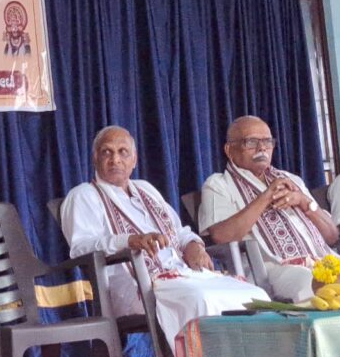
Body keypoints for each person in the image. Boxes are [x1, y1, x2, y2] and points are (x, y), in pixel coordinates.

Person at [62, 126, 268, 345]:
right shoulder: (83, 195)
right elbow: (81, 248)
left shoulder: (146, 189)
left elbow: (178, 232)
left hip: (182, 276)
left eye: (123, 152)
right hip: (134, 286)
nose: (115, 160)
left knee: (255, 297)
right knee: (200, 298)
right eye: (107, 152)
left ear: (134, 160)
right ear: (95, 158)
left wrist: (193, 245)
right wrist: (129, 241)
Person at [200, 115, 340, 302]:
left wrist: (304, 202)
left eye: (267, 141)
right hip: (270, 269)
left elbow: (332, 236)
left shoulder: (291, 180)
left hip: (322, 260)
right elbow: (221, 236)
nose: (262, 148)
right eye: (251, 142)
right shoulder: (218, 184)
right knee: (313, 283)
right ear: (229, 150)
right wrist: (266, 196)